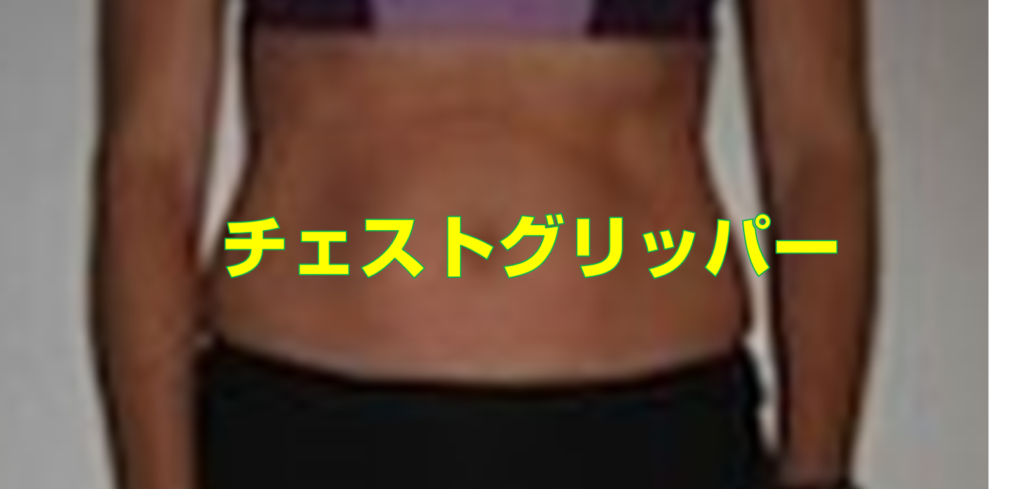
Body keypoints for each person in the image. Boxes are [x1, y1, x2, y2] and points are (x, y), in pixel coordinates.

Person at [88, 0, 878, 488]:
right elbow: (149, 168)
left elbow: (820, 158)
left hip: (653, 436)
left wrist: (819, 471)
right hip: (302, 430)